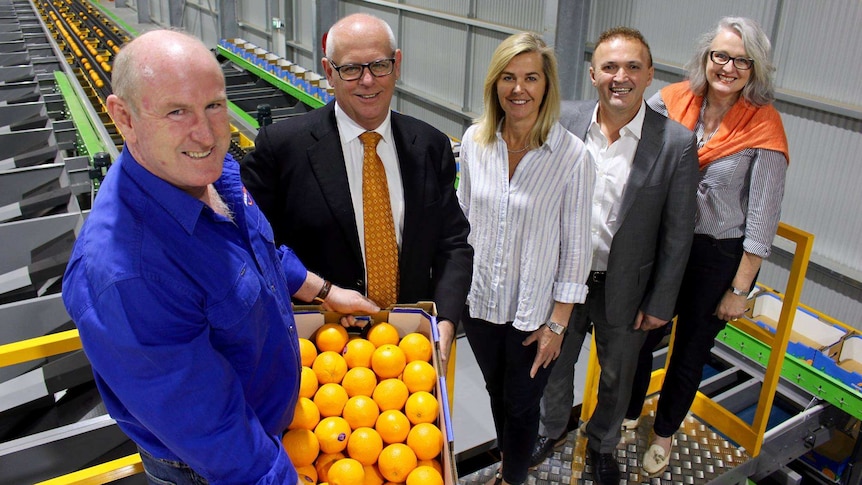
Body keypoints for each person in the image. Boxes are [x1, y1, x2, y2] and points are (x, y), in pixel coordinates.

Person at [62, 30, 378, 484]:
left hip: (272, 423)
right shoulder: (128, 274)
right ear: (123, 117)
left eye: (214, 104)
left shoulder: (209, 170)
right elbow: (221, 440)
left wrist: (324, 291)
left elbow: (256, 252)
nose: (207, 131)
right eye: (176, 111)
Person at [241, 13, 472, 367]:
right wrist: (320, 293)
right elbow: (249, 239)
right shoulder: (283, 148)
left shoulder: (429, 145)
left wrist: (445, 320)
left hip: (409, 346)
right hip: (318, 348)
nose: (367, 81)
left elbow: (452, 243)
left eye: (379, 65)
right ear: (328, 71)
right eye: (350, 69)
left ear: (397, 64)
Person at [529, 27, 699, 484]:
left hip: (627, 285)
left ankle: (603, 444)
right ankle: (553, 428)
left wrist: (661, 302)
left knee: (617, 376)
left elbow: (678, 232)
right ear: (592, 74)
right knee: (553, 362)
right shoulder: (564, 121)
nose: (619, 76)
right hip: (563, 278)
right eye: (609, 67)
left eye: (632, 67)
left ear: (650, 76)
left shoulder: (675, 143)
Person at [626, 17, 789, 476]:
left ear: (755, 70)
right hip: (663, 244)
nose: (729, 67)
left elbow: (762, 218)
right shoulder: (673, 100)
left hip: (716, 256)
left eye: (742, 60)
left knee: (690, 350)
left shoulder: (765, 127)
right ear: (705, 58)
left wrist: (741, 288)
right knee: (641, 335)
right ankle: (629, 412)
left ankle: (663, 434)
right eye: (721, 55)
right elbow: (629, 135)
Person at [457, 32, 594, 485]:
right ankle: (508, 463)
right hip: (480, 306)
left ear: (546, 85)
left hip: (534, 315)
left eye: (531, 77)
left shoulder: (573, 156)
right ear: (495, 83)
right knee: (498, 392)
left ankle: (513, 477)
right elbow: (462, 222)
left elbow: (577, 247)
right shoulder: (475, 142)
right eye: (509, 77)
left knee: (521, 403)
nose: (519, 88)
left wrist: (557, 324)